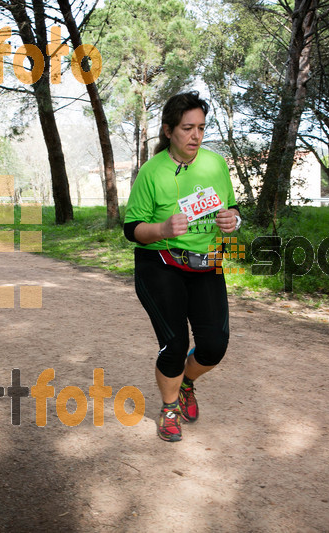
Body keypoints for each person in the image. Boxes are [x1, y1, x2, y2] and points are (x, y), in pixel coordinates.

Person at [123, 91, 242, 442]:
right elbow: (132, 230)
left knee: (214, 346)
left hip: (206, 264)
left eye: (201, 128)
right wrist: (162, 229)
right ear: (168, 130)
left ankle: (187, 382)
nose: (195, 136)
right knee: (174, 347)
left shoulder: (215, 164)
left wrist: (233, 221)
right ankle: (169, 406)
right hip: (160, 264)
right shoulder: (152, 172)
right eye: (187, 128)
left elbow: (233, 208)